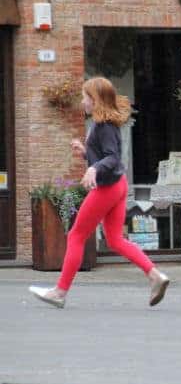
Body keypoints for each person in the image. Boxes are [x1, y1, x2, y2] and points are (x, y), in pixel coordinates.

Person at [29, 77, 170, 308]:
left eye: (85, 97)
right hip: (118, 184)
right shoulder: (102, 123)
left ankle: (60, 292)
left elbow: (113, 158)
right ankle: (155, 275)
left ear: (94, 100)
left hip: (108, 188)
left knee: (76, 236)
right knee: (115, 239)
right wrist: (86, 153)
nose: (82, 101)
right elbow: (106, 155)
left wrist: (93, 168)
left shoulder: (104, 126)